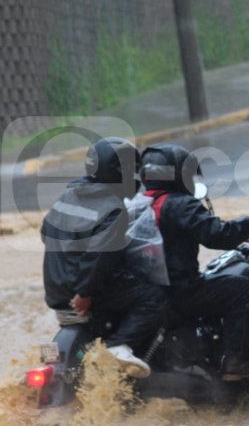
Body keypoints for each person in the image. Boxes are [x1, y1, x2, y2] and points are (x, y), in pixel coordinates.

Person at [140, 143, 249, 381]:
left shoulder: (134, 204)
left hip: (144, 291)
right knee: (242, 288)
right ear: (179, 174)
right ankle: (237, 360)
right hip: (178, 291)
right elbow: (216, 235)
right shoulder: (179, 203)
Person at [40, 137, 170, 379]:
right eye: (132, 170)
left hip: (57, 291)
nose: (136, 178)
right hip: (80, 293)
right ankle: (120, 346)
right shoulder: (112, 207)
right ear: (117, 171)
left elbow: (46, 233)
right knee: (154, 297)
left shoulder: (69, 196)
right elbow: (100, 255)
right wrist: (85, 292)